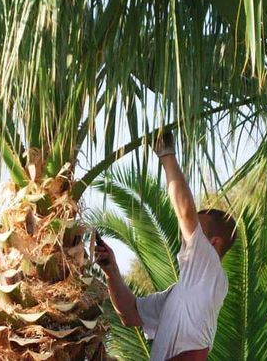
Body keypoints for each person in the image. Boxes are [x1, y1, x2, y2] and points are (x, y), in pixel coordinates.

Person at [95, 132, 237, 361]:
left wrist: (166, 153)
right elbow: (130, 314)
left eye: (197, 231)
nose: (186, 234)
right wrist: (111, 270)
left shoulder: (211, 268)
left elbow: (185, 213)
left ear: (214, 243)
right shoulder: (179, 294)